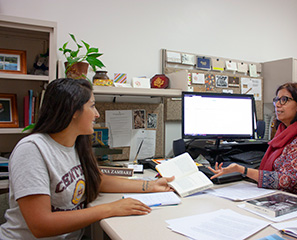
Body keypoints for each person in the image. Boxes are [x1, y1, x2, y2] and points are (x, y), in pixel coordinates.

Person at [0, 78, 174, 239]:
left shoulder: (75, 144)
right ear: (73, 110)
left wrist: (150, 185)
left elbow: (98, 181)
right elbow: (41, 225)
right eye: (92, 106)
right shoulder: (32, 150)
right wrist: (110, 208)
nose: (97, 114)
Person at [209, 82, 297, 193]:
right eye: (277, 100)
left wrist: (242, 170)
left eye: (284, 100)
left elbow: (284, 180)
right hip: (280, 194)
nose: (277, 104)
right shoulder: (283, 132)